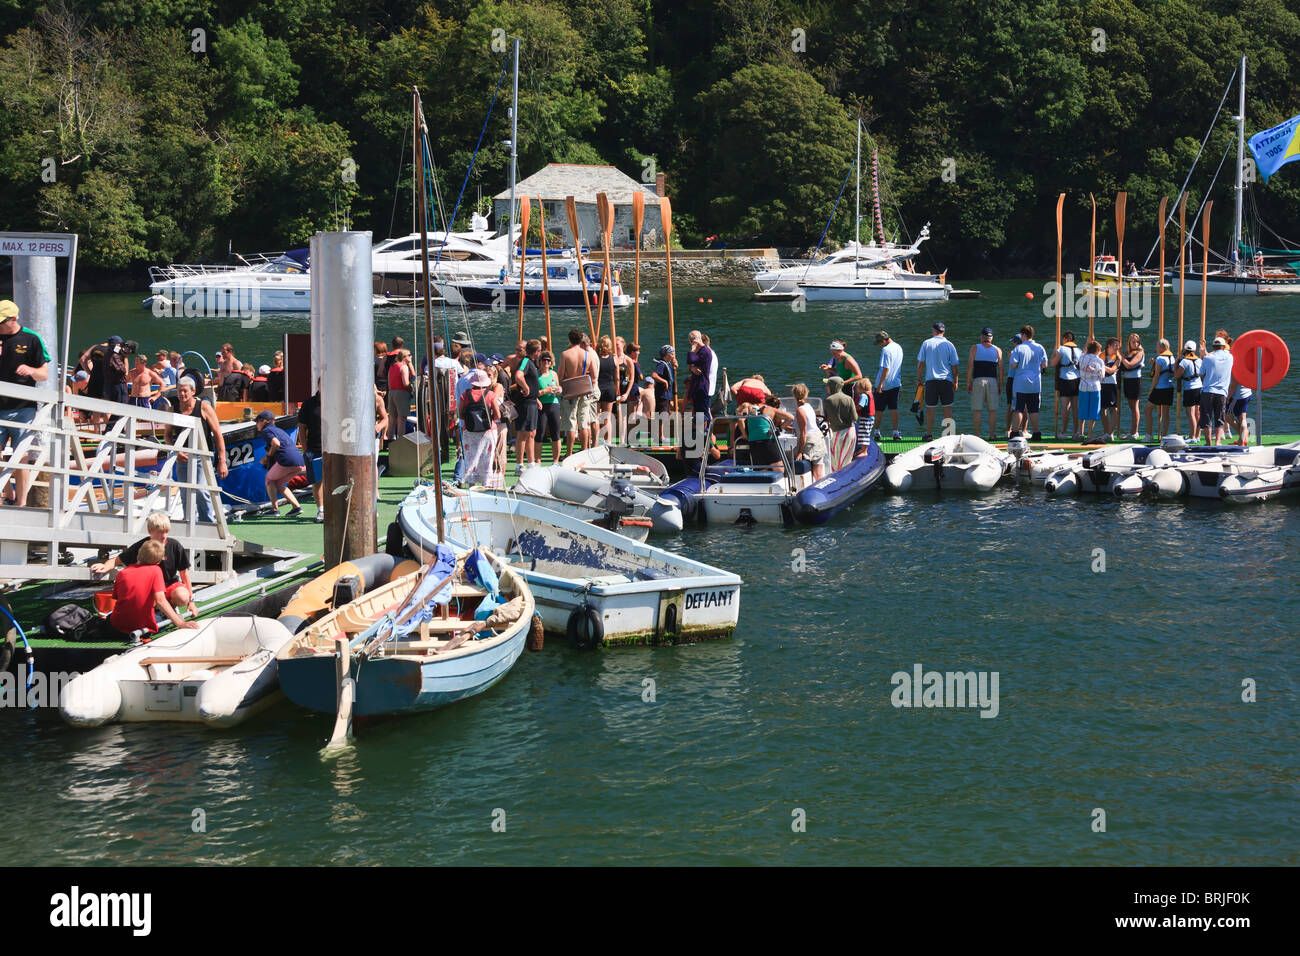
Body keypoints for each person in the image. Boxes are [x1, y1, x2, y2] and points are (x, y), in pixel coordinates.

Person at [91, 512, 198, 618]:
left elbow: (184, 574)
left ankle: (169, 606)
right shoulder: (142, 546)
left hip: (169, 587)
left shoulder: (175, 546)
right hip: (150, 590)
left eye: (166, 531)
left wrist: (191, 602)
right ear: (150, 531)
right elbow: (116, 560)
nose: (164, 536)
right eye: (160, 532)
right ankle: (159, 610)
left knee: (182, 596)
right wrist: (105, 566)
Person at [0, 300, 50, 507]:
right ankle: (8, 492)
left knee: (20, 458)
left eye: (2, 322)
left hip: (23, 407)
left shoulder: (31, 338)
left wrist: (30, 371)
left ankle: (21, 504)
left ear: (14, 319)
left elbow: (44, 374)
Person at [108, 539, 198, 639]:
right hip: (142, 628)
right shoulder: (156, 570)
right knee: (161, 618)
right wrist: (180, 623)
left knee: (110, 617)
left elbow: (118, 598)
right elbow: (161, 601)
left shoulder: (122, 573)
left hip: (118, 626)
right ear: (158, 561)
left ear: (139, 554)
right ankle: (165, 614)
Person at [169, 379, 228, 522]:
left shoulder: (204, 407)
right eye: (179, 391)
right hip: (183, 457)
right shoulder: (173, 409)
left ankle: (207, 523)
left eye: (185, 391)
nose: (182, 394)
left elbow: (218, 434)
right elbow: (167, 435)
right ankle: (190, 524)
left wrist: (222, 460)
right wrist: (175, 451)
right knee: (185, 493)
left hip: (203, 456)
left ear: (193, 391)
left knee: (201, 491)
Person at [255, 409, 306, 517]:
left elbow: (276, 444)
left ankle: (275, 510)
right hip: (299, 460)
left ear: (264, 421)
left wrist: (268, 456)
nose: (256, 424)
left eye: (257, 421)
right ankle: (297, 507)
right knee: (279, 484)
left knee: (269, 479)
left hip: (287, 460)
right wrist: (268, 457)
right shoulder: (279, 430)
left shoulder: (266, 431)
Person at [559, 328, 600, 457]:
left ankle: (569, 454)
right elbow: (594, 377)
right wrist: (590, 390)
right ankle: (584, 451)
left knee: (571, 423)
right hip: (585, 391)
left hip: (571, 391)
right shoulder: (587, 354)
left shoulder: (565, 354)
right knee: (584, 422)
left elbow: (560, 376)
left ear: (570, 340)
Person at [915, 321, 958, 441]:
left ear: (933, 330)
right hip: (946, 381)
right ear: (943, 331)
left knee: (930, 408)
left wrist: (918, 379)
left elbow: (921, 364)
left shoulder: (926, 343)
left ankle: (929, 434)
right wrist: (956, 381)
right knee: (947, 408)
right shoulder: (950, 345)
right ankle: (949, 435)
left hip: (931, 381)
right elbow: (954, 366)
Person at [459, 368, 501, 486]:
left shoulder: (465, 395)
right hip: (488, 431)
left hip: (469, 431)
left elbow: (461, 415)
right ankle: (486, 484)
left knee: (471, 458)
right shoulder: (490, 394)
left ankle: (471, 485)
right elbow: (498, 415)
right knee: (487, 458)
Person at [1008, 324, 1048, 440]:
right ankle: (1036, 433)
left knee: (1019, 408)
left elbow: (1013, 365)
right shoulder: (1040, 347)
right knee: (1033, 409)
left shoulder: (1019, 348)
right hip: (1035, 383)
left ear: (1024, 335)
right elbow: (1044, 365)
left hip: (1021, 382)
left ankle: (1015, 432)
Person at [966, 327, 1002, 442]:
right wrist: (1000, 384)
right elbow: (1001, 370)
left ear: (982, 336)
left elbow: (970, 366)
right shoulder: (997, 350)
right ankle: (992, 435)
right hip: (992, 381)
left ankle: (977, 436)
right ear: (991, 338)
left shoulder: (975, 348)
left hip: (978, 380)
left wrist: (968, 382)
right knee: (992, 411)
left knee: (977, 410)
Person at [736, 395, 792, 468]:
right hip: (768, 440)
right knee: (779, 469)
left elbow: (741, 420)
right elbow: (790, 418)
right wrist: (779, 429)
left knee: (762, 470)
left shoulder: (751, 409)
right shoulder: (771, 409)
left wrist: (745, 435)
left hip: (754, 442)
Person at [511, 339, 542, 468]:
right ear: (537, 351)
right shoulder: (526, 361)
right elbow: (519, 376)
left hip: (532, 402)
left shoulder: (532, 363)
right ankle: (519, 465)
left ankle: (531, 463)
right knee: (523, 433)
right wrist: (525, 387)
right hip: (525, 403)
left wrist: (536, 398)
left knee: (531, 433)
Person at [1198, 336, 1234, 445]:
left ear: (1213, 347)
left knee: (1206, 417)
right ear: (1223, 347)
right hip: (1222, 392)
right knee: (1220, 418)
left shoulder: (1208, 358)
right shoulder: (1230, 357)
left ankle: (1208, 442)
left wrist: (1204, 353)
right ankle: (1218, 442)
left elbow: (1201, 374)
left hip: (1208, 391)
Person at [298, 380, 325, 522]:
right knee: (317, 481)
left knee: (335, 480)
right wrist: (305, 448)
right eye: (322, 383)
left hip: (334, 449)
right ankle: (321, 510)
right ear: (318, 385)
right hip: (314, 448)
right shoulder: (309, 403)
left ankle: (335, 508)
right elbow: (301, 426)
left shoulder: (337, 401)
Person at [790, 383, 827, 479]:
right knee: (818, 472)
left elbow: (803, 433)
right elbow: (811, 424)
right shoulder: (809, 406)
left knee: (787, 458)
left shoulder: (800, 410)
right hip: (818, 438)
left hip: (809, 443)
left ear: (794, 396)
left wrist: (799, 452)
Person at [1142, 338, 1176, 440]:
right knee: (1166, 413)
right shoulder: (1172, 358)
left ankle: (1149, 435)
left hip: (1159, 388)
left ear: (1161, 348)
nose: (1156, 348)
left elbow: (1156, 377)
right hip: (1169, 387)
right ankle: (1164, 435)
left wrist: (1151, 390)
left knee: (1147, 409)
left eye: (1157, 346)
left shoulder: (1160, 359)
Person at [1050, 331, 1082, 439]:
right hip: (1077, 380)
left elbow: (1053, 363)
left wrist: (1055, 349)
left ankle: (1063, 432)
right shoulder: (1079, 350)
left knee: (1065, 407)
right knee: (1075, 407)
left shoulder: (1062, 349)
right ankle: (1076, 432)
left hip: (1065, 379)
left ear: (1065, 339)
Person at [822, 376, 857, 471]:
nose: (826, 387)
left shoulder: (827, 400)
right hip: (850, 432)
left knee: (835, 462)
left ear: (833, 386)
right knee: (847, 460)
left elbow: (825, 417)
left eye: (828, 385)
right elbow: (854, 418)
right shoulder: (849, 399)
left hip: (835, 433)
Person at [873, 331, 904, 440]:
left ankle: (876, 432)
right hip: (896, 383)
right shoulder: (899, 347)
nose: (880, 345)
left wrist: (880, 385)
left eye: (880, 342)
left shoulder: (886, 350)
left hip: (884, 385)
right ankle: (895, 433)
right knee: (893, 408)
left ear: (884, 340)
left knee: (878, 409)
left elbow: (886, 369)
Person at [536, 351, 563, 462]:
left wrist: (559, 389)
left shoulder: (554, 374)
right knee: (539, 434)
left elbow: (558, 388)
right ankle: (537, 461)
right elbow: (533, 393)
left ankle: (555, 461)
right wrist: (544, 391)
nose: (546, 362)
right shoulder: (536, 375)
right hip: (541, 406)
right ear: (540, 361)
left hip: (553, 404)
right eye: (544, 360)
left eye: (548, 360)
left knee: (555, 433)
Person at [1077, 340, 1105, 442]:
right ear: (1097, 350)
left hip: (1083, 386)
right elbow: (1102, 376)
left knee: (1082, 410)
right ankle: (1089, 434)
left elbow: (1083, 352)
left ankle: (1081, 433)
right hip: (1095, 387)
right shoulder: (1100, 361)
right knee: (1093, 411)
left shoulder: (1082, 357)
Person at [686, 330, 715, 427]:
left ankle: (710, 436)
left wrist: (692, 349)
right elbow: (691, 363)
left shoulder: (705, 351)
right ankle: (702, 435)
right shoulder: (700, 351)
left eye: (691, 341)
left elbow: (690, 360)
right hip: (698, 386)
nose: (691, 343)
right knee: (699, 412)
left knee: (704, 412)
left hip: (702, 386)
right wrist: (692, 367)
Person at [1119, 333, 1145, 439]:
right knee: (1131, 407)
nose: (1135, 343)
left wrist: (1121, 357)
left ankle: (1135, 432)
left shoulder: (1140, 353)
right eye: (1132, 341)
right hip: (1127, 380)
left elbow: (1130, 365)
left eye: (1136, 341)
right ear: (1129, 342)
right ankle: (1131, 431)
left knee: (1135, 407)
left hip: (1135, 380)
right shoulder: (1127, 353)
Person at [1175, 339, 1202, 440]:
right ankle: (1198, 435)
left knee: (1190, 414)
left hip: (1189, 389)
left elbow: (1177, 375)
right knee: (1197, 413)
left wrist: (1176, 364)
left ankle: (1192, 436)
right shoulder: (1199, 360)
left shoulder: (1184, 362)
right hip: (1199, 387)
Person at [386, 348, 413, 441]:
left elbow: (389, 382)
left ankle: (389, 441)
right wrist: (411, 388)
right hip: (401, 393)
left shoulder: (392, 366)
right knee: (401, 419)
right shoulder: (404, 367)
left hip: (391, 393)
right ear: (405, 357)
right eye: (409, 355)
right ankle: (400, 441)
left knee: (392, 419)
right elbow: (405, 383)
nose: (411, 357)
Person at [595, 334, 618, 444]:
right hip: (609, 388)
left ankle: (595, 440)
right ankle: (607, 441)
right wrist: (617, 390)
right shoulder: (614, 359)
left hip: (598, 388)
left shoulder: (596, 358)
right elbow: (617, 378)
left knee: (596, 416)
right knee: (607, 418)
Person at [1099, 337, 1122, 441]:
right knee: (1102, 409)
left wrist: (1101, 366)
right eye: (1115, 345)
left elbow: (1112, 370)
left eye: (1118, 345)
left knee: (1113, 409)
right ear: (1109, 346)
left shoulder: (1118, 357)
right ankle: (1106, 432)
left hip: (1111, 384)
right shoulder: (1100, 355)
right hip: (1100, 384)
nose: (1117, 347)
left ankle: (1111, 433)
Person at [852, 378, 876, 457]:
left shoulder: (863, 395)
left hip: (866, 419)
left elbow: (860, 406)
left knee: (864, 434)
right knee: (865, 433)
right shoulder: (869, 394)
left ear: (861, 388)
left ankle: (864, 451)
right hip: (870, 418)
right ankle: (863, 449)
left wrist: (853, 409)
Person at [1004, 333, 1021, 434]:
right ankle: (1022, 430)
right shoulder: (1024, 352)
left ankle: (1008, 430)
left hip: (1011, 379)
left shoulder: (1011, 352)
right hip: (1020, 380)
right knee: (1022, 406)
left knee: (1010, 406)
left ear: (1015, 342)